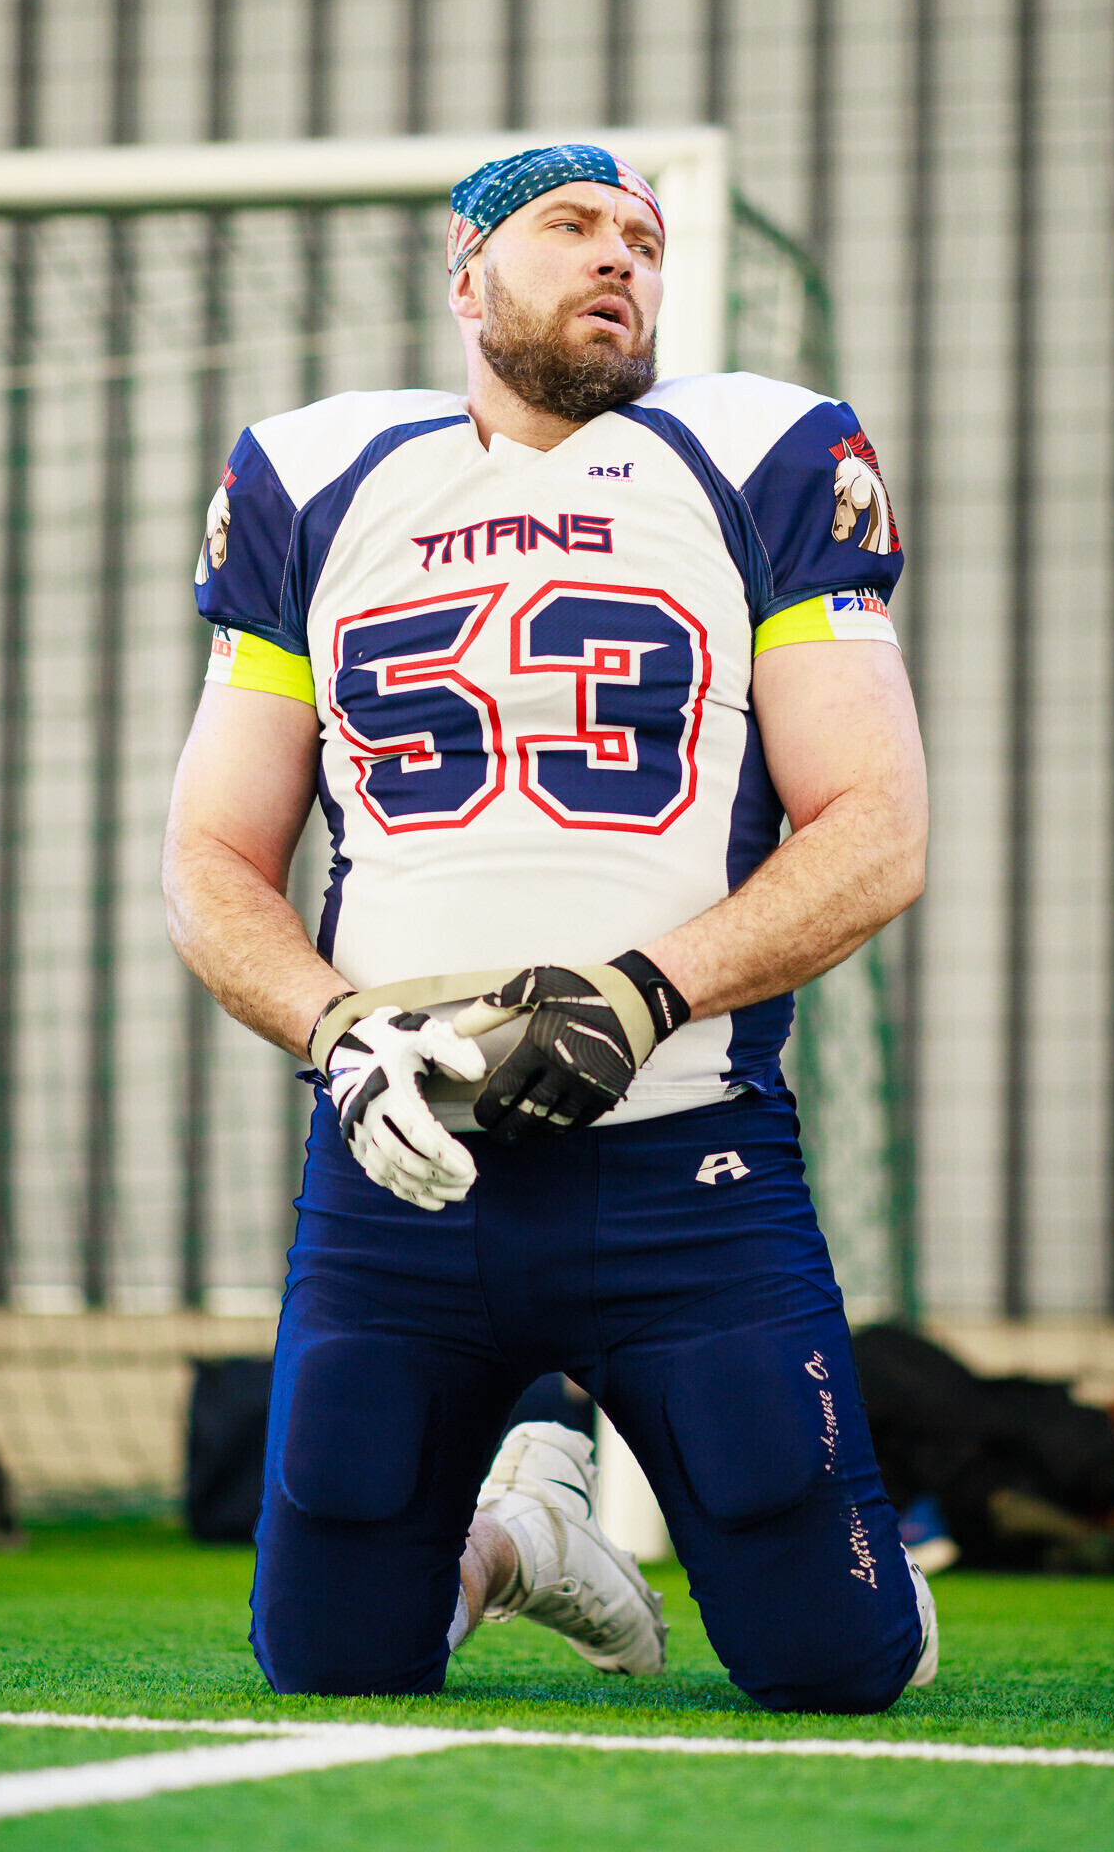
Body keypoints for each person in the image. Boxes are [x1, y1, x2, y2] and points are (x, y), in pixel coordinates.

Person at [163, 141, 936, 1711]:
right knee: (333, 1662)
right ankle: (518, 1539)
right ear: (465, 278)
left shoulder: (760, 454)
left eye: (640, 239)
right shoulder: (315, 479)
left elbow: (876, 827)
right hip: (402, 1170)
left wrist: (640, 995)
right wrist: (334, 1028)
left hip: (682, 1156)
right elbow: (210, 858)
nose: (616, 258)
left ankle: (640, 1537)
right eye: (570, 226)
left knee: (833, 1666)